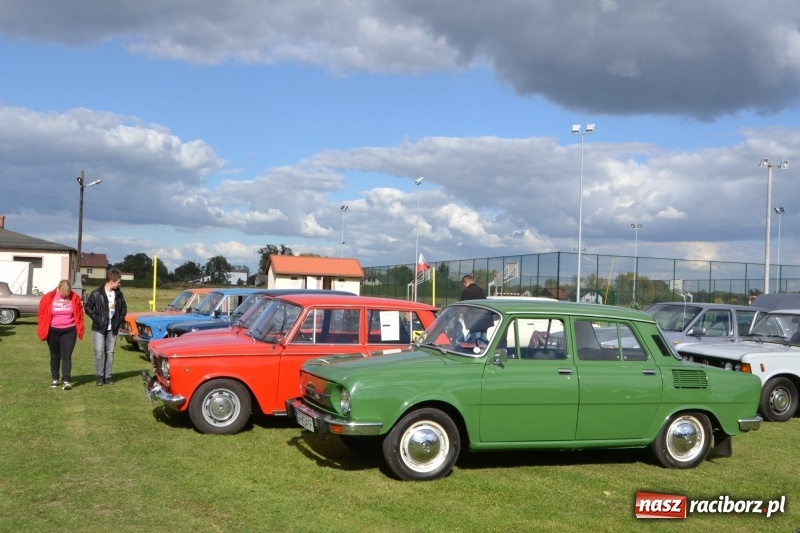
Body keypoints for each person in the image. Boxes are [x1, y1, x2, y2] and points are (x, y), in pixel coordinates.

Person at [37, 280, 85, 390]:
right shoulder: (48, 297)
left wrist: (80, 327)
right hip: (53, 331)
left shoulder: (75, 297)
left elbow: (79, 314)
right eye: (62, 294)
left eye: (66, 295)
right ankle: (54, 379)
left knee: (66, 356)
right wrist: (42, 326)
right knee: (54, 355)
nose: (64, 297)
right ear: (58, 289)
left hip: (69, 330)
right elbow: (42, 313)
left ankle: (66, 380)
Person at [84, 268, 127, 386]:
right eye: (118, 281)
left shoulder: (119, 294)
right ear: (112, 281)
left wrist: (119, 320)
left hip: (112, 328)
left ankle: (107, 376)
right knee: (98, 352)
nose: (120, 283)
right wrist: (97, 319)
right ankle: (99, 376)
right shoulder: (96, 293)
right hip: (98, 328)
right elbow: (87, 308)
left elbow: (124, 308)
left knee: (110, 352)